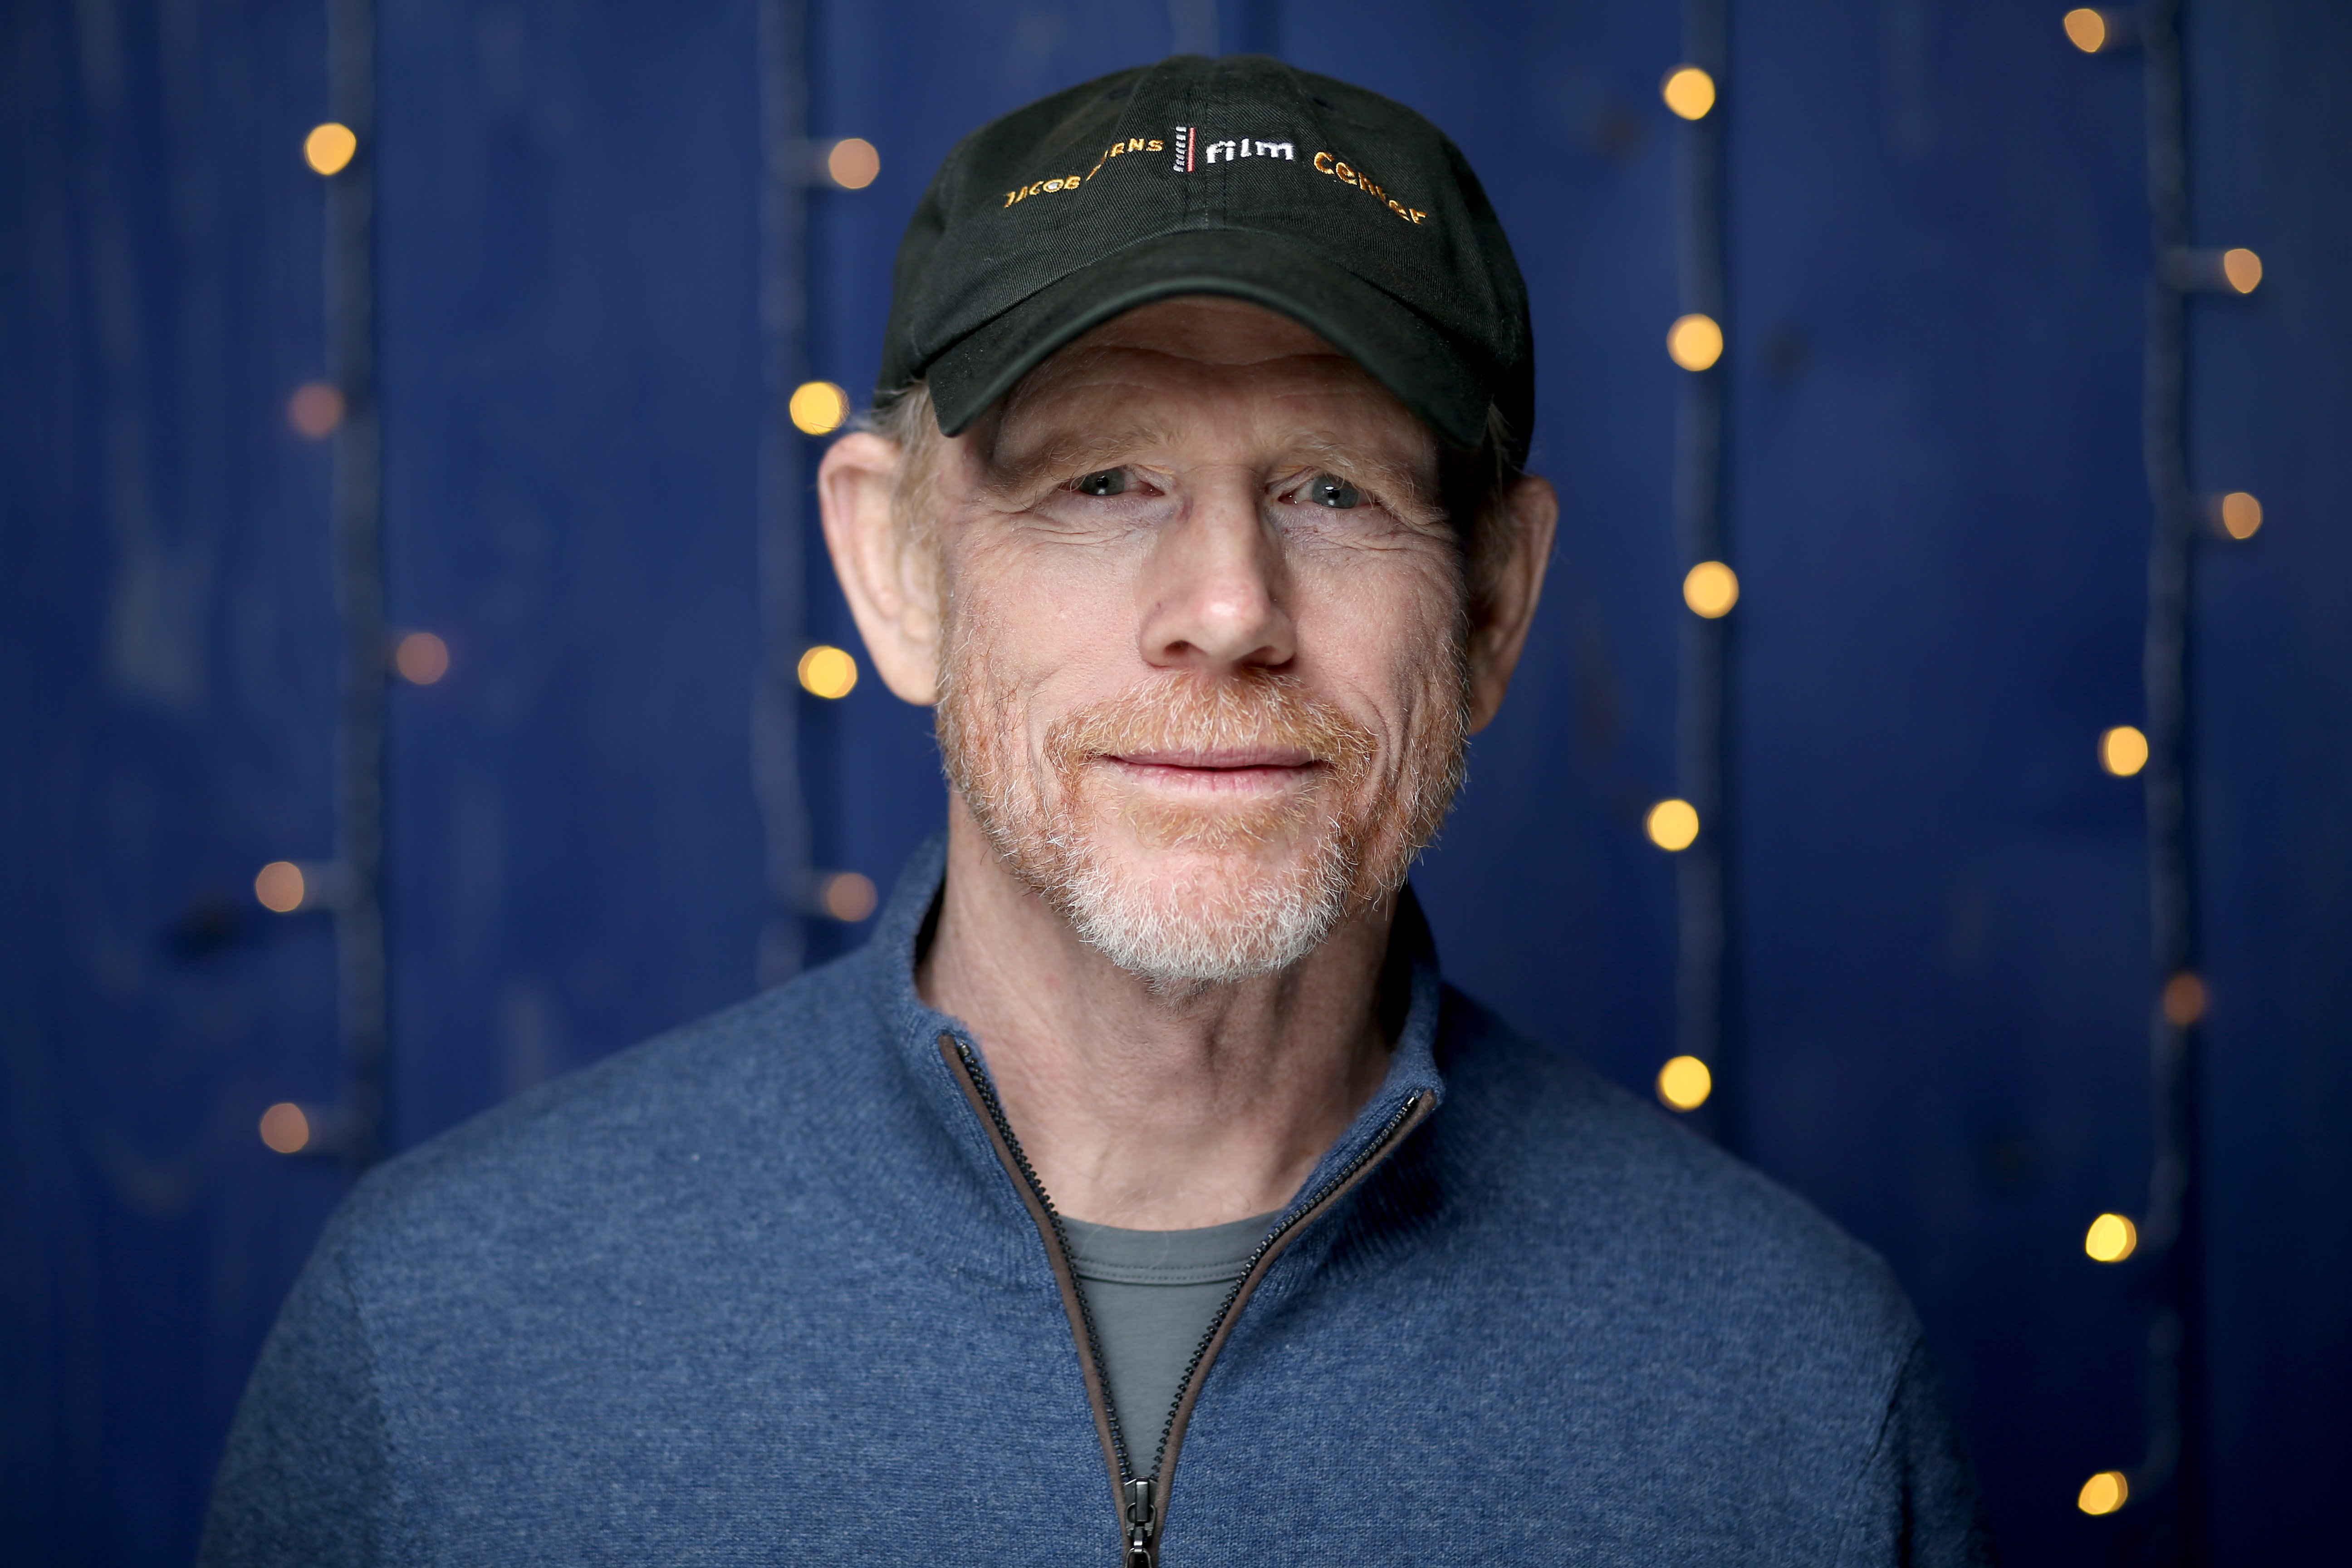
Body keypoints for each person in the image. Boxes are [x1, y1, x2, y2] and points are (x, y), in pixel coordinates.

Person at [203, 54, 1993, 1567]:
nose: (1227, 608)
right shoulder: (442, 1348)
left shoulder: (1797, 1402)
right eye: (1103, 480)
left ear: (1496, 607)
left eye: (1331, 490)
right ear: (896, 572)